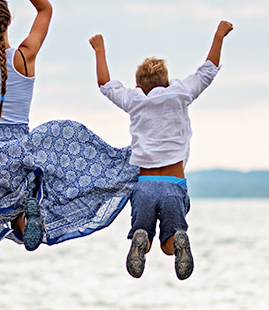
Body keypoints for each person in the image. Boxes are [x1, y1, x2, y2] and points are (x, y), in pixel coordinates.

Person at [0, 0, 137, 249]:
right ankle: (28, 217)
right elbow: (45, 9)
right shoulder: (25, 56)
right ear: (9, 21)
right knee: (23, 206)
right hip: (20, 148)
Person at [89, 20, 234, 280]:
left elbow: (105, 85)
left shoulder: (135, 100)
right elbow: (207, 71)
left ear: (138, 87)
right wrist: (219, 34)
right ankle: (178, 239)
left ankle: (141, 240)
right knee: (169, 244)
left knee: (142, 236)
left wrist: (99, 49)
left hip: (145, 184)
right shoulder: (180, 93)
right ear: (166, 83)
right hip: (173, 182)